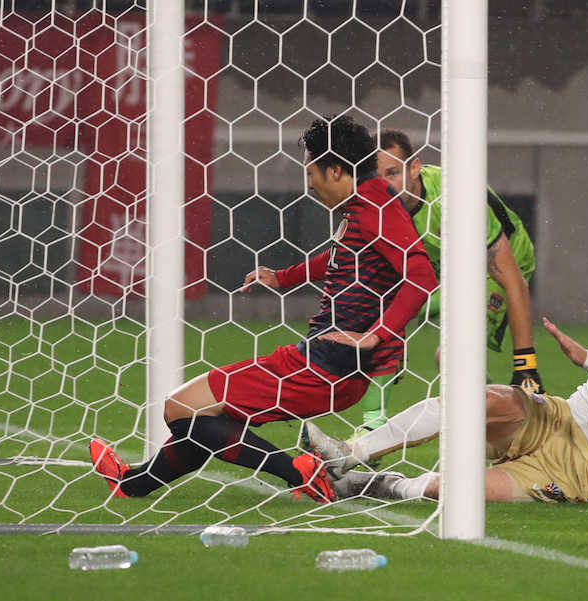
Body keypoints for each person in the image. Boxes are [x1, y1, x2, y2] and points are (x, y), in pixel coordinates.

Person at [88, 115, 437, 503]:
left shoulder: (375, 206)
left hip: (324, 366)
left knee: (180, 409)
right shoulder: (368, 200)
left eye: (312, 173)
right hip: (326, 362)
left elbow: (421, 275)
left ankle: (298, 474)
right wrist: (283, 277)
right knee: (204, 416)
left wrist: (376, 335)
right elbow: (343, 257)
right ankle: (133, 484)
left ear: (336, 170)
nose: (310, 184)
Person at [304, 232, 588, 503]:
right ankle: (347, 454)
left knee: (458, 493)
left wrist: (587, 359)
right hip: (561, 416)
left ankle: (371, 486)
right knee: (472, 400)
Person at [347, 130, 543, 437]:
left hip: (492, 269)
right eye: (376, 176)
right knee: (379, 322)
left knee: (449, 357)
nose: (384, 185)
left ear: (414, 168)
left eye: (393, 173)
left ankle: (487, 422)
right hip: (442, 270)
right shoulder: (375, 204)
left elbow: (513, 281)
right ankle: (372, 427)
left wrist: (526, 365)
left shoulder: (456, 198)